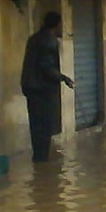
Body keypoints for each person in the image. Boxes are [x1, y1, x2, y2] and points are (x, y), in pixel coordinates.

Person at [21, 12, 75, 163]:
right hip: (42, 90)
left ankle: (38, 161)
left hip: (31, 88)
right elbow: (46, 67)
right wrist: (64, 78)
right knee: (45, 126)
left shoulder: (34, 38)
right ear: (57, 24)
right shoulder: (49, 41)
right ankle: (42, 161)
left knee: (36, 126)